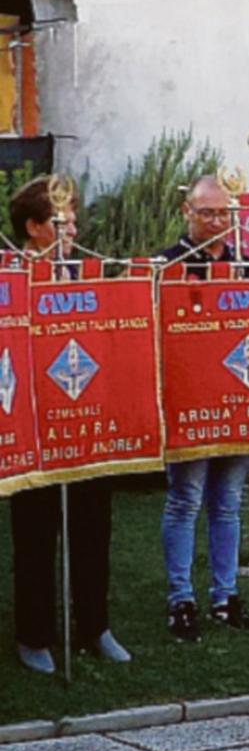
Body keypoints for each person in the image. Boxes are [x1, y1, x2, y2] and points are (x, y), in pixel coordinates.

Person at [7, 177, 129, 672]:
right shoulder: (12, 275)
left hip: (87, 423)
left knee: (93, 527)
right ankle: (33, 634)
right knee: (36, 534)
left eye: (74, 218)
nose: (72, 228)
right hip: (35, 427)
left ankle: (94, 626)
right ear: (34, 227)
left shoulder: (88, 273)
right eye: (61, 220)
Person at [158, 176, 249, 642]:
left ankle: (225, 595)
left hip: (237, 403)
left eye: (224, 214)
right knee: (185, 501)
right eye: (208, 213)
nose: (217, 222)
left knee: (228, 504)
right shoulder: (167, 265)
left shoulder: (248, 266)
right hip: (190, 408)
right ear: (187, 212)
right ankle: (181, 599)